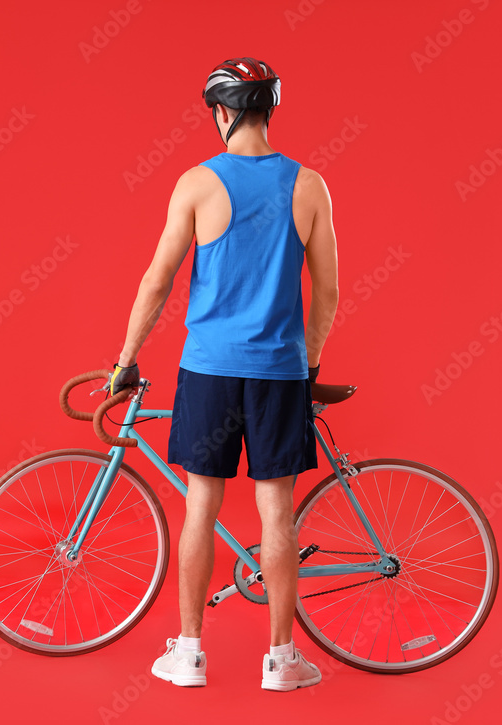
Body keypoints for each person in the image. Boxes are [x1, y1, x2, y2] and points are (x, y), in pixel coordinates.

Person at [109, 57, 339, 691]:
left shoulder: (197, 184)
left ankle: (188, 654)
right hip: (277, 374)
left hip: (208, 370)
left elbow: (157, 282)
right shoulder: (309, 185)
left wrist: (127, 358)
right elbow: (328, 292)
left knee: (200, 508)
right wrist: (308, 361)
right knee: (277, 511)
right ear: (266, 110)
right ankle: (282, 662)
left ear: (223, 112)